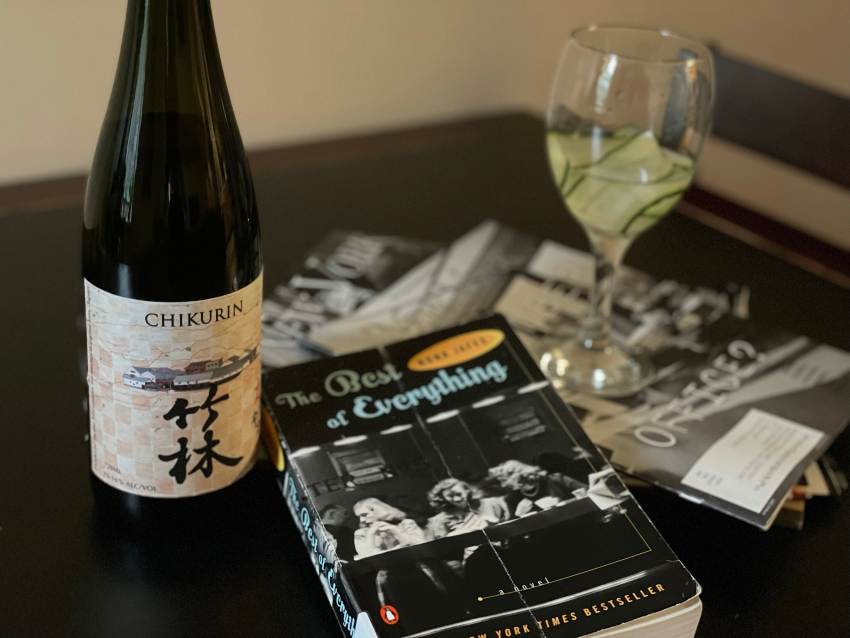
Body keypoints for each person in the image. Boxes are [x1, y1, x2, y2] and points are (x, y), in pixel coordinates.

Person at [488, 459, 585, 517]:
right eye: (510, 474)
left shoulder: (556, 479)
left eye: (521, 470)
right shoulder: (512, 499)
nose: (520, 474)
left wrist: (567, 502)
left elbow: (588, 491)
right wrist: (519, 515)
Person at [425, 478, 510, 538]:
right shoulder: (440, 520)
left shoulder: (492, 503)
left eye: (459, 494)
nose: (456, 499)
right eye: (450, 496)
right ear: (443, 498)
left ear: (467, 490)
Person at [352, 498, 426, 558]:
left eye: (364, 515)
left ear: (378, 510)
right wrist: (370, 534)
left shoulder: (407, 524)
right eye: (359, 517)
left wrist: (396, 530)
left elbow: (422, 547)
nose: (361, 520)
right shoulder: (361, 533)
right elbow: (366, 558)